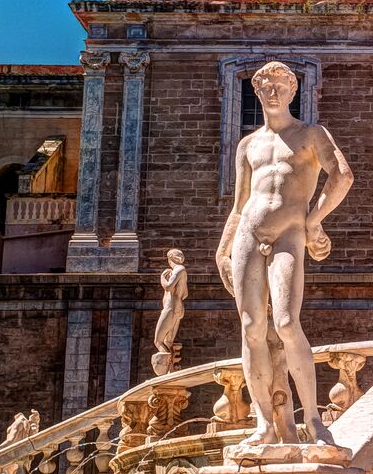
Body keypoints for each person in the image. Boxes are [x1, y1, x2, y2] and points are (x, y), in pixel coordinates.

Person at [215, 62, 353, 452]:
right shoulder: (248, 146)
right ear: (257, 92)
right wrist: (222, 248)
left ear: (294, 91)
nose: (273, 91)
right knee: (251, 327)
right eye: (265, 86)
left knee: (288, 322)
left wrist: (313, 222)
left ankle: (313, 419)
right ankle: (264, 424)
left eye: (281, 85)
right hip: (247, 234)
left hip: (289, 233)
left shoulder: (311, 134)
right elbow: (240, 204)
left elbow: (342, 176)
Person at [150, 248, 187, 374]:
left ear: (170, 258)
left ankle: (165, 369)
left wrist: (162, 278)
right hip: (176, 307)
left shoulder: (179, 269)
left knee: (158, 341)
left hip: (171, 308)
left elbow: (168, 286)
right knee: (167, 342)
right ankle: (170, 370)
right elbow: (185, 294)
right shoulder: (181, 272)